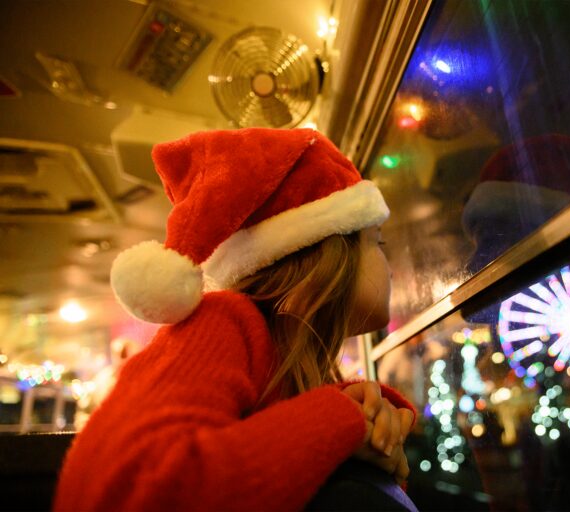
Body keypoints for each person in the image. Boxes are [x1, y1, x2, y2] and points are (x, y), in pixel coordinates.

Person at [54, 128, 417, 511]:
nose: (390, 269)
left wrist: (369, 417)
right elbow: (128, 489)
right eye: (377, 242)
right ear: (328, 255)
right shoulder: (224, 321)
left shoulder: (291, 370)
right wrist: (344, 419)